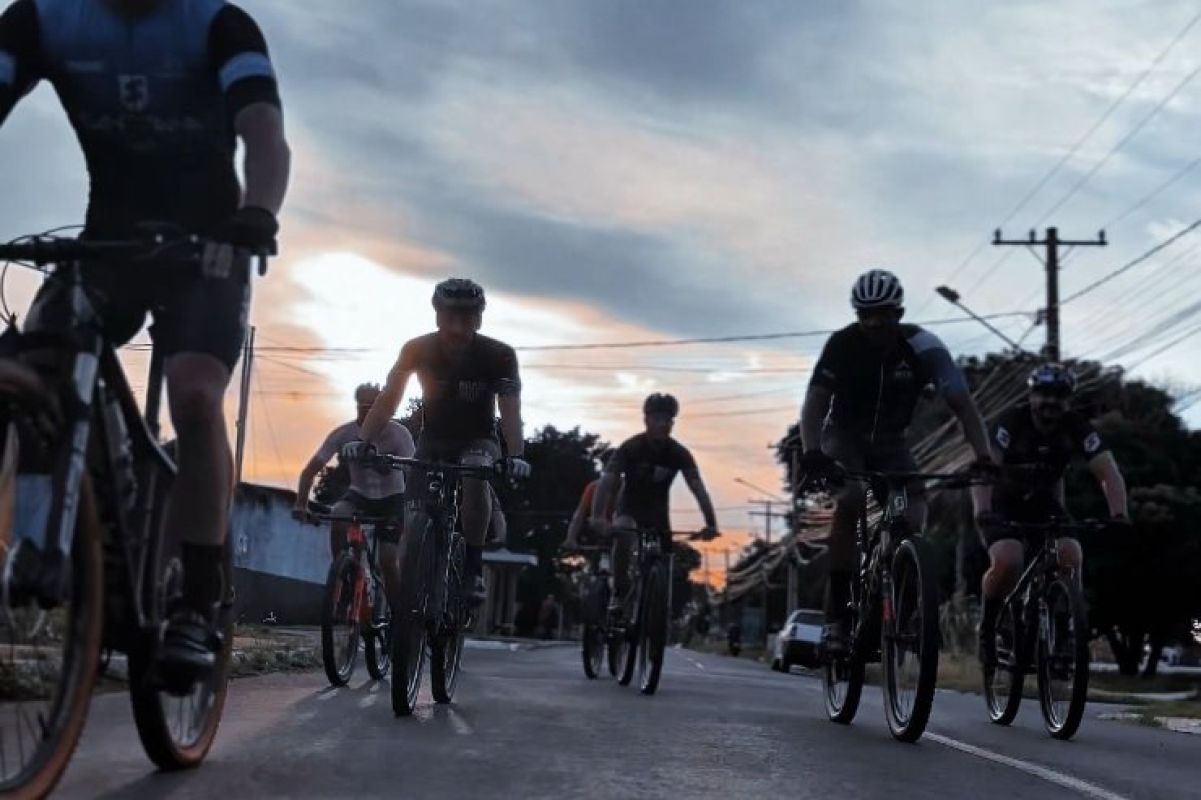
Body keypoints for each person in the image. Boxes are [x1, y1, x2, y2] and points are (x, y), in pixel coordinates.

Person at [0, 0, 290, 683]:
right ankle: (56, 523)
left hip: (210, 246)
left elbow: (264, 136)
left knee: (193, 395)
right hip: (108, 241)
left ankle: (196, 599)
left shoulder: (219, 24)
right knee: (35, 360)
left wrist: (255, 215)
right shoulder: (41, 20)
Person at [798, 269, 993, 654]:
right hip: (844, 438)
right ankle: (838, 615)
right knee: (851, 498)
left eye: (883, 314)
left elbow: (964, 407)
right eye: (866, 314)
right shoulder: (842, 345)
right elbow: (815, 404)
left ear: (899, 313)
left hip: (890, 444)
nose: (874, 323)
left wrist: (984, 456)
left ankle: (901, 580)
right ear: (857, 314)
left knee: (912, 507)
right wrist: (812, 452)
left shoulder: (923, 346)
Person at [347, 278, 531, 604]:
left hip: (479, 439)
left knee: (476, 471)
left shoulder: (498, 355)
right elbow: (390, 397)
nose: (458, 327)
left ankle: (473, 567)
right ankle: (407, 602)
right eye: (449, 317)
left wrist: (515, 454)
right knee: (413, 512)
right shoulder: (417, 348)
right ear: (437, 316)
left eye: (467, 317)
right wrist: (364, 440)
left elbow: (510, 408)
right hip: (433, 438)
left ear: (479, 319)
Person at [973, 363, 1130, 667]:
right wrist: (983, 510)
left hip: (1044, 502)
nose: (1050, 403)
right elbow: (986, 468)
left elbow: (1108, 471)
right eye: (1043, 394)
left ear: (1068, 400)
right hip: (1001, 499)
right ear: (1031, 396)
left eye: (1059, 396)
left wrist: (1119, 513)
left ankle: (1062, 632)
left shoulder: (1076, 426)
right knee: (1009, 559)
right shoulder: (1011, 421)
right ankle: (989, 627)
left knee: (1070, 553)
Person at [591, 393, 719, 617]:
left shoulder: (679, 453)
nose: (662, 425)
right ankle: (619, 594)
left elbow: (697, 487)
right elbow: (607, 481)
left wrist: (711, 523)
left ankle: (658, 609)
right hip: (629, 508)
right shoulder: (630, 448)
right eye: (657, 419)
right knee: (622, 534)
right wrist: (598, 516)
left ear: (672, 423)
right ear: (646, 420)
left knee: (664, 559)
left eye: (667, 420)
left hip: (658, 514)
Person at [293, 383, 414, 605]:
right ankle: (344, 574)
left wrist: (386, 465)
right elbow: (310, 470)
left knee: (388, 559)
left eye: (373, 409)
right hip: (359, 495)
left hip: (392, 498)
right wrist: (301, 504)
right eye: (362, 409)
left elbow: (413, 473)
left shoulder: (399, 434)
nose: (367, 415)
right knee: (339, 514)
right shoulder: (344, 433)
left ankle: (399, 615)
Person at [562, 450, 617, 551]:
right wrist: (570, 538)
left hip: (622, 534)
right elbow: (579, 514)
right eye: (607, 465)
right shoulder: (593, 487)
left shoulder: (628, 487)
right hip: (598, 536)